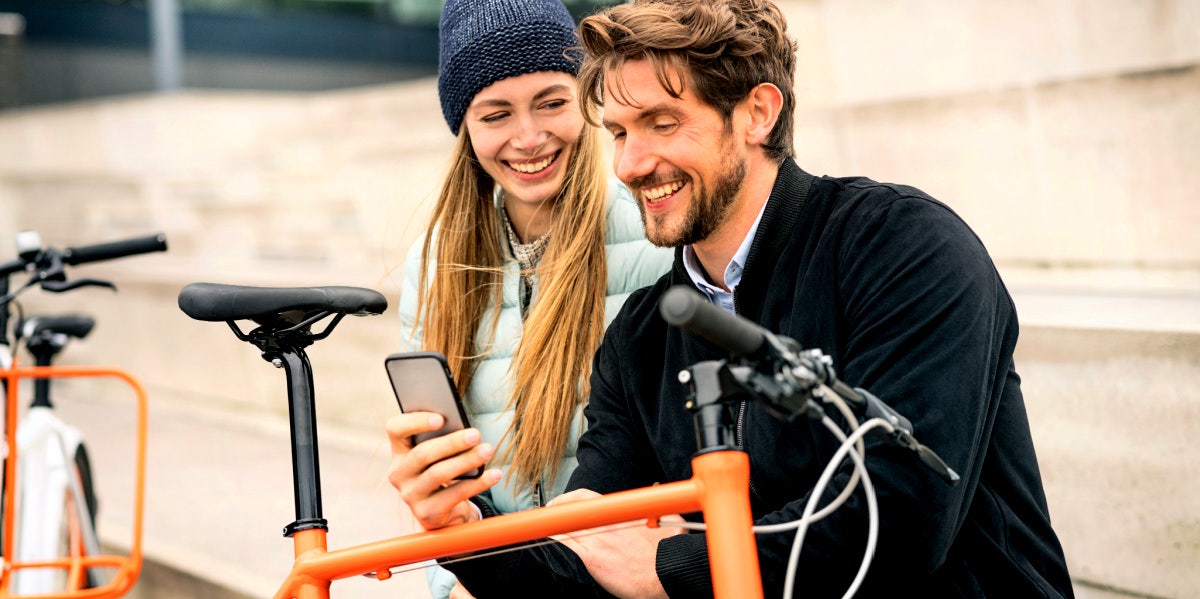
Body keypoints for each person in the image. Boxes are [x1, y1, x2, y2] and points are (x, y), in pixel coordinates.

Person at [391, 0, 1074, 597]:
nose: (629, 165)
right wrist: (467, 533)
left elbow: (900, 517)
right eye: (620, 133)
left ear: (757, 111)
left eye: (661, 122)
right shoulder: (640, 338)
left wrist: (673, 563)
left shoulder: (903, 246)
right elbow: (586, 561)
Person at [387, 0, 672, 597]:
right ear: (464, 126)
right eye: (496, 114)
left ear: (585, 101)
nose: (528, 138)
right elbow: (452, 491)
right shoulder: (432, 264)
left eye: (551, 102)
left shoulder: (657, 235)